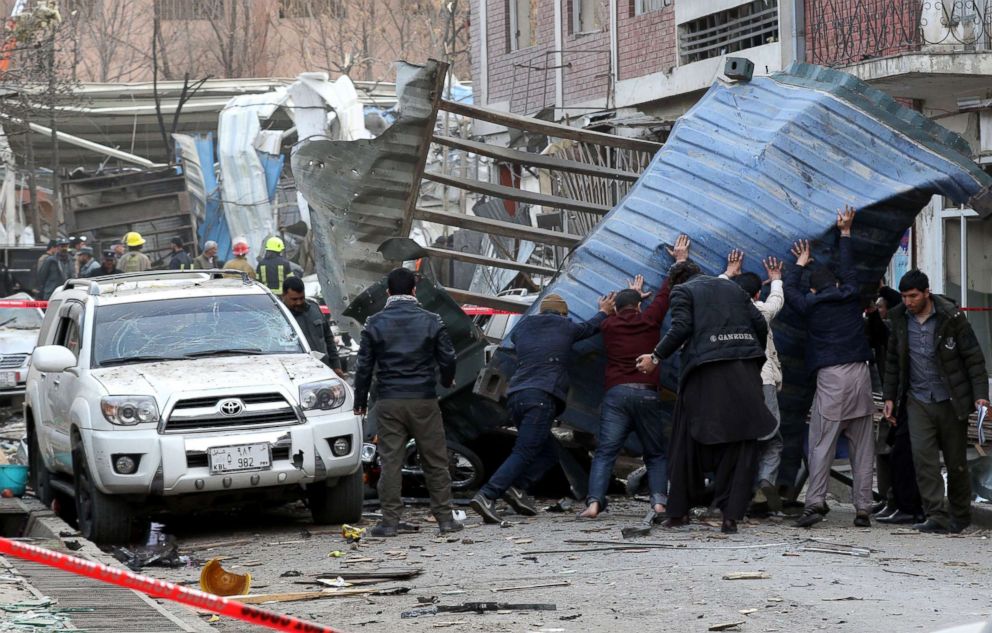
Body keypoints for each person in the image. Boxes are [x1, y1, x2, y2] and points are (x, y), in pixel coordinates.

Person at [636, 256, 774, 535]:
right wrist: (748, 356)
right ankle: (730, 517)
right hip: (744, 371)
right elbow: (760, 324)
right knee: (741, 443)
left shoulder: (682, 291)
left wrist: (655, 356)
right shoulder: (734, 289)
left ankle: (678, 513)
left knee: (686, 440)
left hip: (705, 373)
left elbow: (681, 327)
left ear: (676, 280)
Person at [471, 291, 615, 524]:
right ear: (562, 314)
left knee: (548, 451)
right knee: (524, 450)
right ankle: (488, 494)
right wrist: (604, 311)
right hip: (541, 396)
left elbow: (519, 343)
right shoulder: (564, 326)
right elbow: (591, 327)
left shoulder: (523, 327)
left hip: (516, 395)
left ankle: (517, 488)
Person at [578, 235, 690, 520]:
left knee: (605, 453)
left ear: (616, 309)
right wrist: (679, 261)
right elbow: (665, 294)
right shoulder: (649, 319)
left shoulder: (608, 324)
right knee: (654, 453)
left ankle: (593, 504)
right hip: (646, 392)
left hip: (616, 394)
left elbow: (607, 315)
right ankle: (659, 504)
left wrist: (616, 304)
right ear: (639, 306)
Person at [784, 206, 875, 529]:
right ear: (834, 284)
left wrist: (797, 264)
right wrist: (845, 232)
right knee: (863, 446)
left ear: (813, 289)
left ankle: (815, 502)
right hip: (860, 374)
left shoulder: (810, 305)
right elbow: (848, 270)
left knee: (821, 442)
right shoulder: (849, 295)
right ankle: (863, 508)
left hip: (832, 377)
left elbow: (790, 294)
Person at [353, 268, 460, 537]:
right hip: (423, 400)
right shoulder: (432, 320)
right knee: (435, 460)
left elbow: (363, 367)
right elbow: (448, 358)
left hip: (389, 402)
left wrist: (361, 402)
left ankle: (390, 522)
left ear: (389, 293)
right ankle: (445, 520)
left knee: (390, 462)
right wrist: (446, 382)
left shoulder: (374, 323)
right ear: (414, 290)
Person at [883, 270, 989, 534]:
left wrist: (980, 394)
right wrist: (889, 397)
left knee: (956, 463)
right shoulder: (899, 319)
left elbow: (973, 358)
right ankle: (936, 515)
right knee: (924, 461)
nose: (908, 302)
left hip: (950, 401)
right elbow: (893, 362)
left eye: (913, 296)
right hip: (917, 400)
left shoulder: (951, 318)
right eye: (905, 296)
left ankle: (960, 515)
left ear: (926, 292)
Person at [722, 250, 786, 515]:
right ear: (757, 294)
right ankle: (764, 481)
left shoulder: (725, 311)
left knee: (742, 437)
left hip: (736, 383)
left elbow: (716, 290)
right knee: (772, 437)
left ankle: (736, 493)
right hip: (765, 381)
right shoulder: (760, 311)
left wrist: (728, 273)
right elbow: (776, 302)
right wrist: (776, 279)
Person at [281, 276, 345, 378]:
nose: (299, 302)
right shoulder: (279, 316)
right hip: (295, 374)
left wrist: (336, 366)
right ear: (283, 295)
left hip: (323, 369)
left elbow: (328, 338)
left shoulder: (314, 309)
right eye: (294, 299)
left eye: (301, 298)